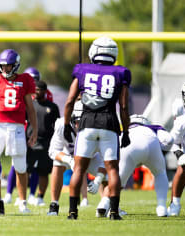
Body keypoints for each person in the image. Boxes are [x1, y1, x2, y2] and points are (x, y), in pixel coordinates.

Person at [63, 36, 131, 220]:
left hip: (86, 124)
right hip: (109, 123)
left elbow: (70, 100)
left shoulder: (82, 69)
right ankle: (114, 212)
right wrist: (126, 131)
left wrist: (66, 124)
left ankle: (72, 212)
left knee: (78, 169)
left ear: (94, 51)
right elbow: (124, 107)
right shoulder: (121, 72)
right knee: (113, 170)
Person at [0, 49, 38, 214]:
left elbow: (31, 109)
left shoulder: (25, 79)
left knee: (20, 167)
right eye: (3, 66)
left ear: (16, 65)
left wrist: (34, 130)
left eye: (8, 66)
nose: (5, 69)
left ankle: (22, 203)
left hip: (18, 127)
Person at [47, 101, 107, 216]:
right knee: (57, 163)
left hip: (91, 156)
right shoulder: (61, 124)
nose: (79, 125)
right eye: (77, 121)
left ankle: (108, 204)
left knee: (110, 174)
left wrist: (98, 179)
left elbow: (107, 158)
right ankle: (54, 204)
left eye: (83, 121)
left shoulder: (98, 126)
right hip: (69, 154)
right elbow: (53, 151)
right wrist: (69, 160)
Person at [4, 67, 53, 206]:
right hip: (21, 130)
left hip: (34, 132)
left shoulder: (44, 93)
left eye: (35, 79)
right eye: (31, 79)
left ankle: (31, 194)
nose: (33, 82)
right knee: (17, 163)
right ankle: (9, 193)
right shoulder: (19, 89)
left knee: (35, 166)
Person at [113, 114, 173, 217]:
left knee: (118, 181)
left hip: (128, 147)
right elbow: (169, 140)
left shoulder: (122, 131)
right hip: (151, 142)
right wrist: (162, 150)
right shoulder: (153, 128)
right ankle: (161, 207)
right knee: (160, 173)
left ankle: (109, 206)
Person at [25, 80, 60, 206]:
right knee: (25, 170)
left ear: (45, 91)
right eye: (35, 89)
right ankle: (23, 197)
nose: (36, 91)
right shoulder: (29, 105)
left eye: (39, 89)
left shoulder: (52, 107)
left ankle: (40, 197)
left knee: (43, 172)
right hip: (31, 142)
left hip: (47, 143)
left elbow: (57, 126)